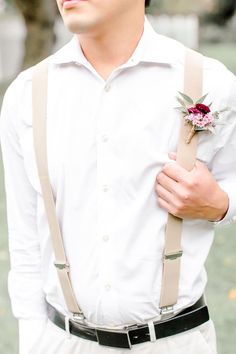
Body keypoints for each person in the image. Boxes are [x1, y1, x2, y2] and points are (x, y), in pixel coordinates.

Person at [0, 0, 236, 353]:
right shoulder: (26, 95)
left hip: (173, 342)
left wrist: (221, 203)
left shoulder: (211, 84)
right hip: (62, 343)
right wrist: (33, 341)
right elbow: (26, 242)